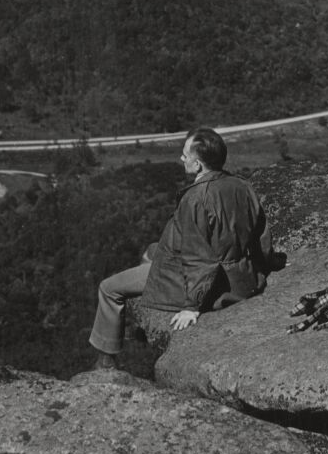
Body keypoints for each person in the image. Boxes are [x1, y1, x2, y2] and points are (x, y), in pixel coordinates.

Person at [87, 127, 268, 368]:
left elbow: (199, 259)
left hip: (213, 283)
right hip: (242, 273)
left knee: (109, 288)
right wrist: (267, 262)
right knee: (151, 252)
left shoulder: (195, 199)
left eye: (185, 155)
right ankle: (143, 316)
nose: (181, 159)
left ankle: (105, 358)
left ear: (198, 165)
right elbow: (261, 231)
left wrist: (191, 306)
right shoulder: (241, 185)